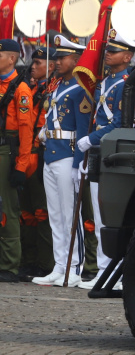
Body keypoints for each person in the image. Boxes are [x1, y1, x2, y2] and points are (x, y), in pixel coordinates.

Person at [76, 29, 135, 288]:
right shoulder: (106, 82)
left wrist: (91, 139)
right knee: (100, 217)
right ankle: (103, 269)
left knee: (111, 216)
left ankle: (117, 272)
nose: (108, 55)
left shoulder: (126, 84)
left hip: (112, 152)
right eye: (108, 51)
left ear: (127, 56)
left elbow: (121, 123)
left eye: (114, 52)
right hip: (100, 153)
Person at [32, 36, 91, 287]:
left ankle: (74, 266)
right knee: (55, 214)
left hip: (68, 155)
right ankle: (59, 265)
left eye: (62, 57)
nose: (56, 61)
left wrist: (79, 164)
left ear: (76, 60)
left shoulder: (80, 90)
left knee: (70, 215)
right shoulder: (56, 86)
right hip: (52, 153)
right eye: (56, 57)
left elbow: (83, 129)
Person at [18, 44, 56, 281]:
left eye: (38, 63)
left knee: (43, 213)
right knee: (27, 213)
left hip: (40, 155)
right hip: (25, 154)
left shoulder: (52, 90)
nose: (33, 67)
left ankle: (46, 264)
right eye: (33, 63)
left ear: (50, 66)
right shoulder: (32, 88)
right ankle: (29, 261)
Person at [0, 39, 34, 282]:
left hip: (6, 151)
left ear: (12, 59)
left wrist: (21, 165)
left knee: (9, 208)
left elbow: (26, 129)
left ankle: (10, 265)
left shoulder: (20, 89)